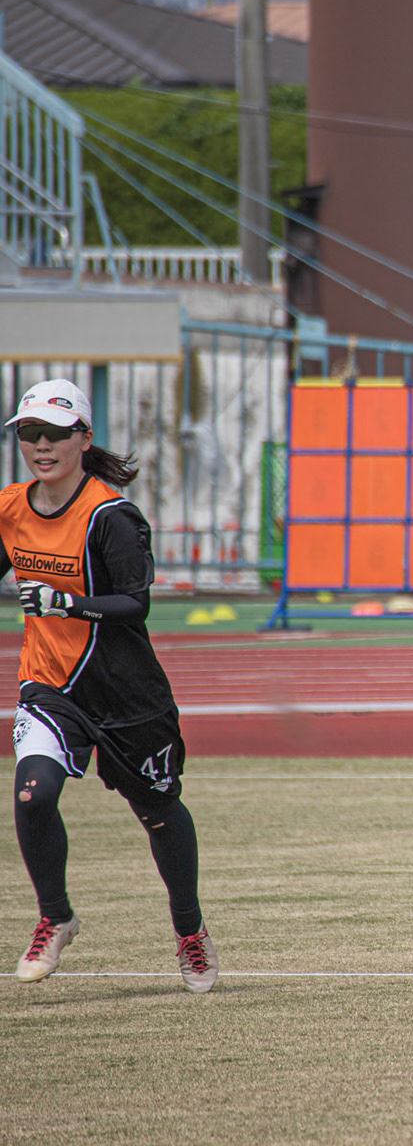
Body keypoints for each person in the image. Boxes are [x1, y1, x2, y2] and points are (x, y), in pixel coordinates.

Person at [3, 380, 216, 992]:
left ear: (83, 439)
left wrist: (66, 603)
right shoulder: (10, 507)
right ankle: (56, 917)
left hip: (126, 694)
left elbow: (135, 603)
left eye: (54, 434)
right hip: (51, 686)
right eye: (29, 434)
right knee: (33, 796)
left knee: (159, 811)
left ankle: (190, 930)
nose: (41, 446)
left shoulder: (110, 515)